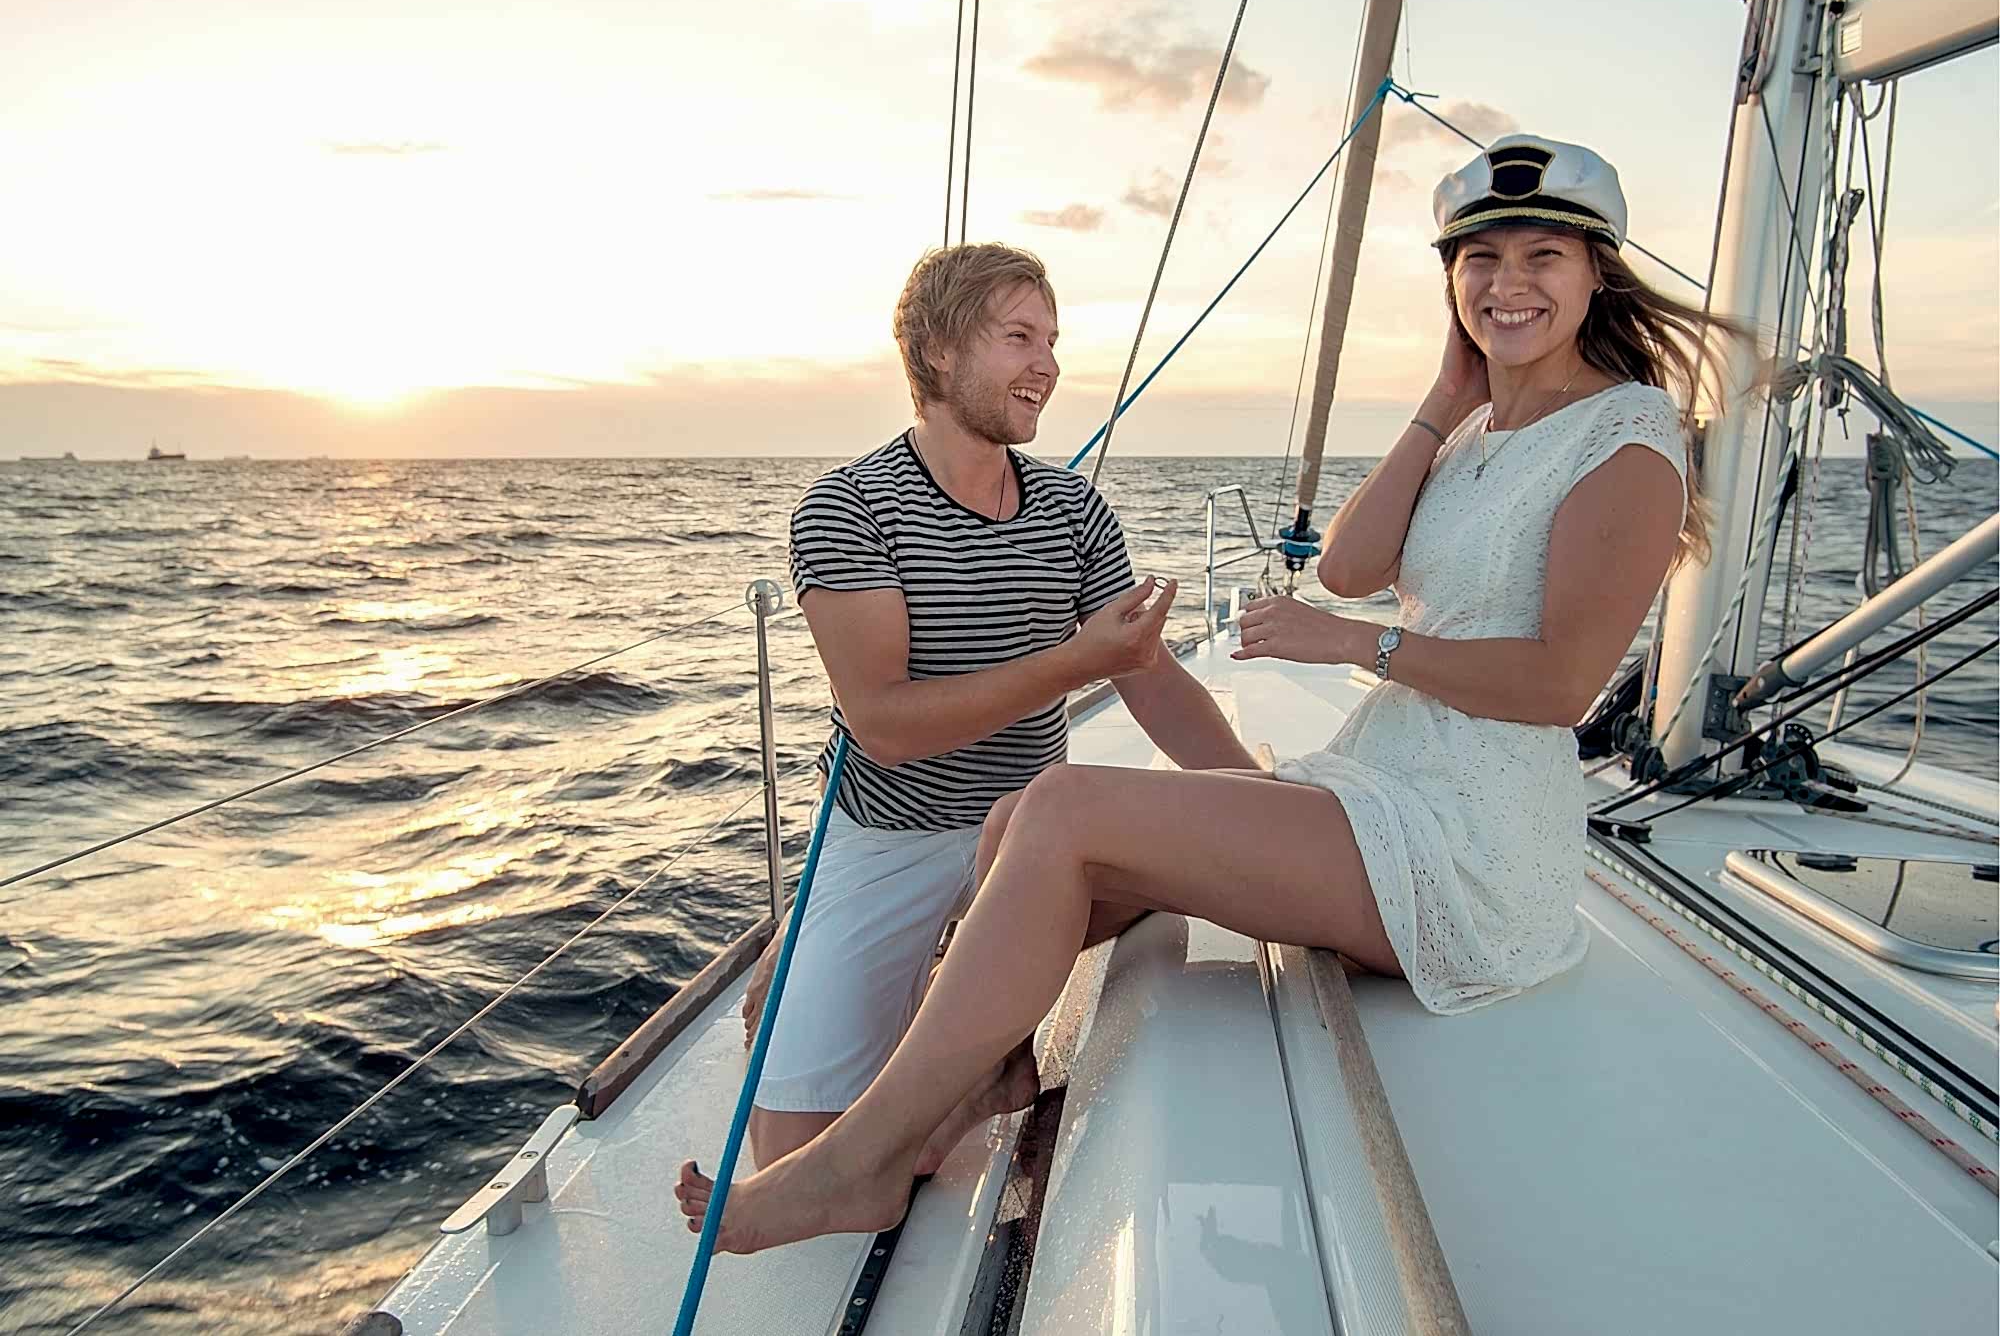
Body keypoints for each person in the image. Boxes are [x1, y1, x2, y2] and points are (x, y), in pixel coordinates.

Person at [678, 134, 1740, 1252]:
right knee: (1017, 819)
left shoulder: (1625, 439)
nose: (1505, 284)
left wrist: (1352, 651)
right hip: (1380, 785)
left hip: (1470, 848)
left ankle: (855, 1166)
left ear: (1593, 274)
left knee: (1062, 809)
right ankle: (973, 1079)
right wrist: (1440, 397)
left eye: (1541, 257)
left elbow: (1557, 685)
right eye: (1479, 261)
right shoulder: (1477, 429)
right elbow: (1347, 564)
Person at [737, 242, 1258, 1177]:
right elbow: (884, 726)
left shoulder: (1071, 507)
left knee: (1177, 856)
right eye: (1019, 336)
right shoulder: (848, 508)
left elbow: (1145, 677)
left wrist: (1253, 798)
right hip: (890, 831)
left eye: (1052, 340)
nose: (1048, 365)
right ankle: (833, 936)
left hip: (1030, 835)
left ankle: (953, 968)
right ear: (937, 351)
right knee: (793, 1152)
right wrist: (1075, 659)